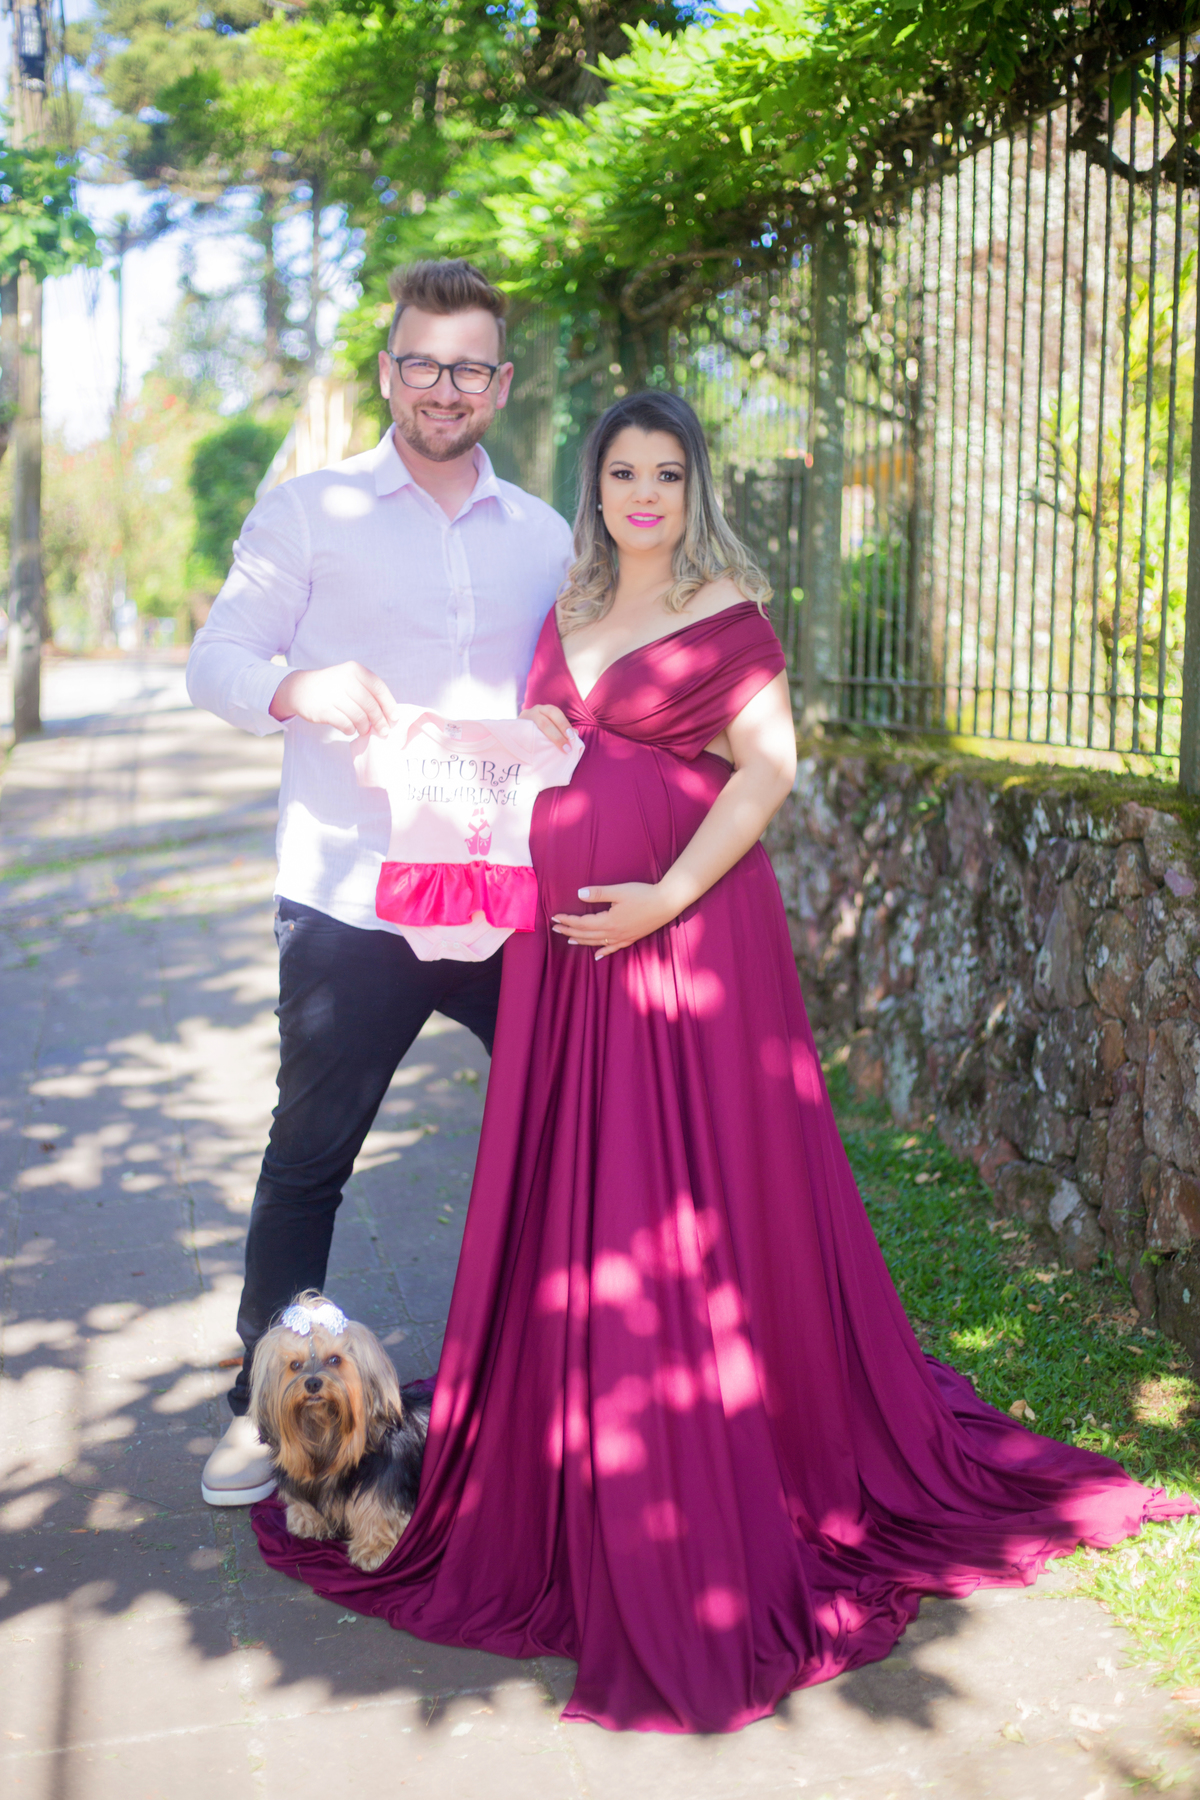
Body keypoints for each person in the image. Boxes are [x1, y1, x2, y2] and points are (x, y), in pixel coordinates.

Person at [251, 391, 1194, 1732]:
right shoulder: (565, 615)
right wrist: (445, 767)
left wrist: (661, 897)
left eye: (668, 472)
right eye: (624, 471)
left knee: (686, 1193)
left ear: (696, 490)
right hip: (569, 962)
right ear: (597, 488)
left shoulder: (730, 614)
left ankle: (721, 1427)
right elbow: (535, 757)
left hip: (686, 939)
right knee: (586, 1205)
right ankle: (583, 1421)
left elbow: (767, 771)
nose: (645, 492)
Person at [186, 260, 573, 1507]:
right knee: (311, 1156)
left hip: (506, 899)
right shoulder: (307, 512)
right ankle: (263, 1403)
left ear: (500, 384)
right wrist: (298, 687)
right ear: (388, 370)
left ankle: (561, 1372)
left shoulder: (549, 536)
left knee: (579, 1112)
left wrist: (564, 729)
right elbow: (218, 660)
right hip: (352, 899)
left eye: (469, 366)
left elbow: (574, 689)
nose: (443, 387)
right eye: (421, 361)